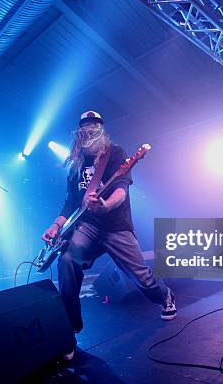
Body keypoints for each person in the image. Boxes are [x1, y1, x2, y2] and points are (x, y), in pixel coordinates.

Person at [41, 111, 176, 359]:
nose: (89, 130)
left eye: (94, 126)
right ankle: (69, 331)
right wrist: (56, 226)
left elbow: (122, 191)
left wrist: (104, 206)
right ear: (78, 133)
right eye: (85, 127)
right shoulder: (76, 164)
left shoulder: (115, 154)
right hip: (87, 225)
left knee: (141, 278)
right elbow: (70, 203)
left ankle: (164, 294)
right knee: (68, 261)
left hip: (115, 224)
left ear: (101, 130)